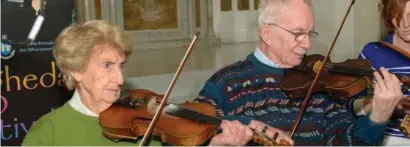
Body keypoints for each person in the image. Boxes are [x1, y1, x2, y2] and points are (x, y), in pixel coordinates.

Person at [197, 0, 404, 146]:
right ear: (267, 33)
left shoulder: (320, 87)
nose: (307, 44)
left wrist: (378, 116)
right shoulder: (225, 82)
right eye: (297, 34)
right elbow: (191, 135)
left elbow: (349, 142)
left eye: (309, 33)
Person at [21, 20, 164, 146]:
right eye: (107, 65)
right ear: (76, 70)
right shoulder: (47, 133)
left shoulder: (144, 128)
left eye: (120, 66)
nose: (120, 79)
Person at [343, 0, 410, 145]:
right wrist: (378, 105)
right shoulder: (373, 52)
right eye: (397, 16)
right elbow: (348, 106)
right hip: (387, 140)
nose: (405, 24)